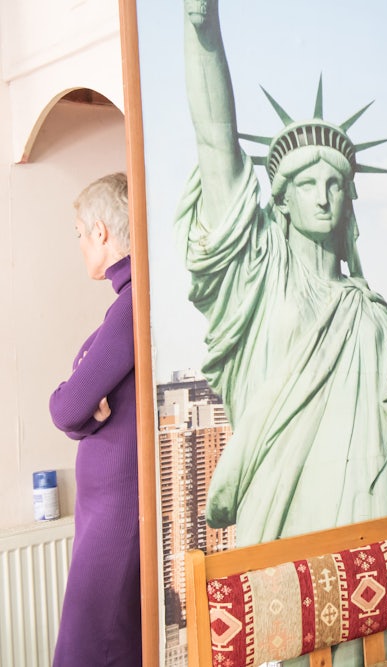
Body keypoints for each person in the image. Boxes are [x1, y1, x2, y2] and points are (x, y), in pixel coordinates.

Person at [179, 0, 387, 548]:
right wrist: (202, 29)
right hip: (291, 513)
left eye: (334, 185)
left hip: (383, 515)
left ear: (349, 199)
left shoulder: (367, 307)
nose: (323, 198)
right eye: (307, 184)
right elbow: (215, 141)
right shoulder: (261, 277)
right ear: (282, 199)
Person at [49, 172, 140, 666]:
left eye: (80, 233)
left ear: (101, 232)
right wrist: (83, 418)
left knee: (88, 651)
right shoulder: (127, 304)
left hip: (115, 520)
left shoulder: (131, 307)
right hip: (108, 513)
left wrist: (74, 408)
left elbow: (66, 405)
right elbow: (79, 412)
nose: (81, 243)